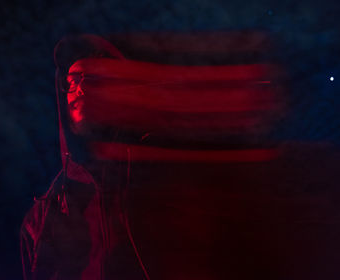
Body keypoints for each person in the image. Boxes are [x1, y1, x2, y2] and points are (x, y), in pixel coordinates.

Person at [21, 32, 340, 280]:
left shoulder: (170, 170)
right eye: (72, 81)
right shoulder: (54, 202)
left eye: (94, 77)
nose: (79, 89)